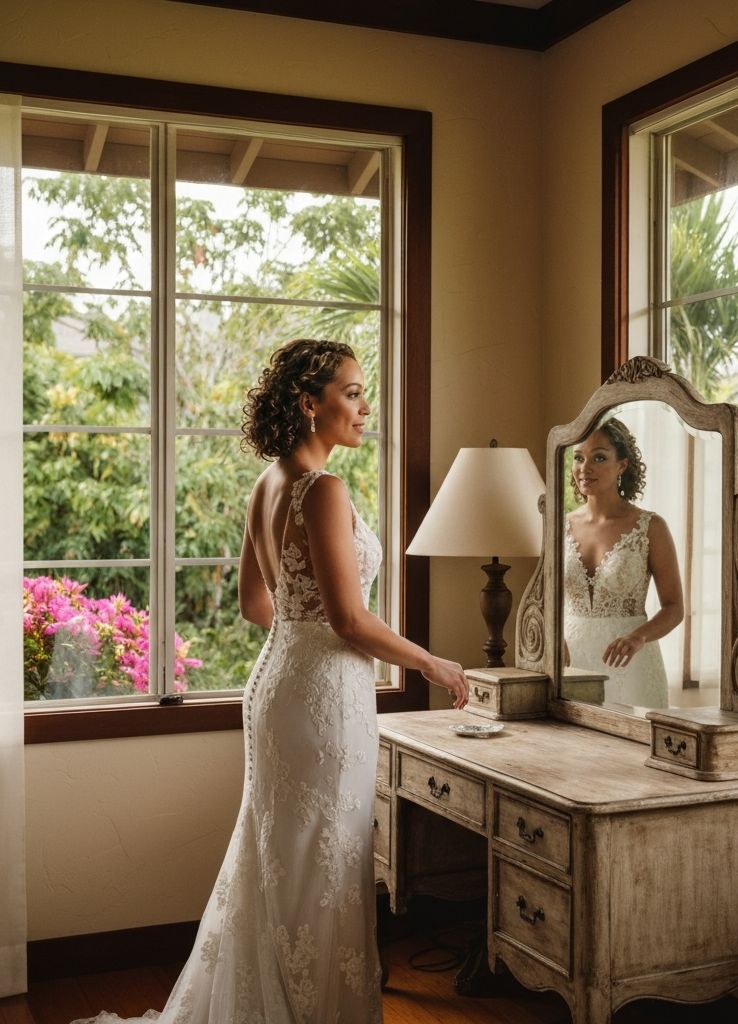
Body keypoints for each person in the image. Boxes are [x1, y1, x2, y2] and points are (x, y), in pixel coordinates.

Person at [72, 339, 468, 1024]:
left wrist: (303, 631)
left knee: (282, 850)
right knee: (323, 856)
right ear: (310, 403)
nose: (364, 405)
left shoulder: (269, 483)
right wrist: (432, 662)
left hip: (282, 683)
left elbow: (258, 606)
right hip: (322, 696)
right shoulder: (323, 489)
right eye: (351, 391)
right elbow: (348, 618)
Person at [563, 418, 683, 707]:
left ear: (623, 466)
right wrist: (553, 639)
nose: (585, 468)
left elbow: (674, 608)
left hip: (631, 664)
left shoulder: (650, 527)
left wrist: (637, 638)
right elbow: (542, 600)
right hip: (571, 661)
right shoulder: (561, 525)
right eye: (579, 457)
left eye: (599, 457)